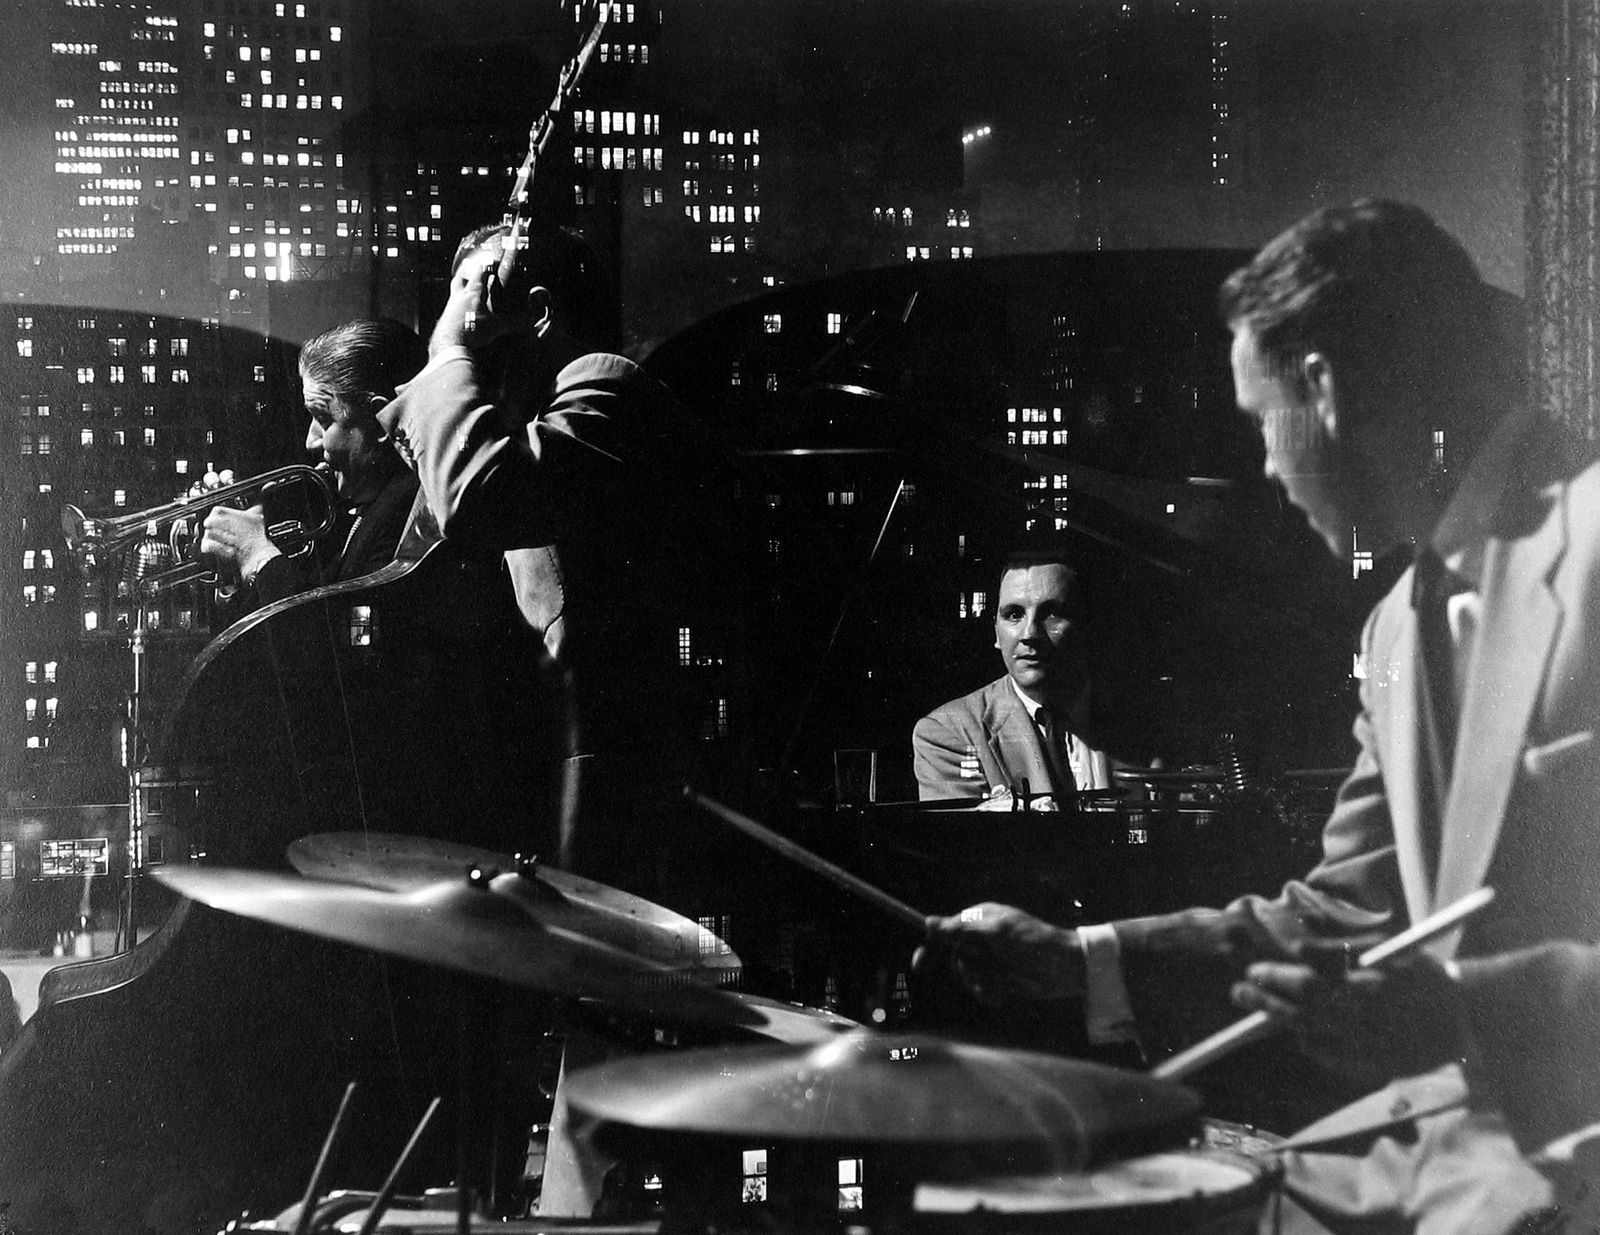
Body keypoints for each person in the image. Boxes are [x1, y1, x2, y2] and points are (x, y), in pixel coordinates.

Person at [920, 199, 1600, 1234]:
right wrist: (1081, 956)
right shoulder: (1394, 633)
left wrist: (1463, 1004)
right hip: (1451, 1160)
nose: (1269, 471)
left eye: (1258, 422)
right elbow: (1346, 915)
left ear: (1323, 389)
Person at [377, 223, 670, 879]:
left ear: (537, 312)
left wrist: (450, 351)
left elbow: (480, 495)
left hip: (609, 794)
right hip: (535, 780)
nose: (455, 317)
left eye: (470, 295)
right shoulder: (527, 426)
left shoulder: (608, 386)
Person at [199, 317, 427, 604]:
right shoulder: (364, 510)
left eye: (323, 418)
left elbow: (330, 638)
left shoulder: (407, 520)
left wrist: (257, 553)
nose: (311, 442)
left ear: (379, 422)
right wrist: (232, 561)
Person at [913, 552, 1116, 807]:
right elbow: (959, 842)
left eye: (1051, 613)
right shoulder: (948, 732)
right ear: (996, 632)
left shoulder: (1144, 723)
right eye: (1013, 615)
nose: (1030, 633)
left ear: (1087, 627)